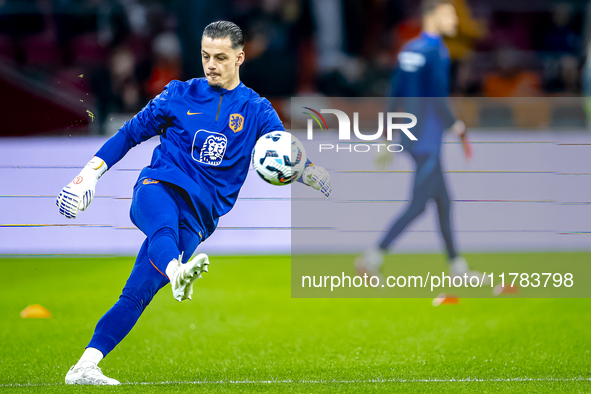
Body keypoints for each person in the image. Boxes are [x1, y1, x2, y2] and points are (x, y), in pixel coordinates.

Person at [57, 21, 332, 386]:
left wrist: (311, 172)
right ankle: (176, 271)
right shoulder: (177, 95)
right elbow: (128, 135)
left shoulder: (257, 110)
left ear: (240, 58)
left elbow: (281, 154)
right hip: (159, 188)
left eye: (220, 57)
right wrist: (88, 175)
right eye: (205, 56)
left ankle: (85, 366)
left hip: (199, 219)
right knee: (163, 228)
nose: (211, 64)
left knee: (137, 293)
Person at [355, 0, 485, 282]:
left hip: (412, 137)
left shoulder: (410, 50)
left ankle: (456, 266)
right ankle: (372, 256)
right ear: (433, 15)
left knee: (444, 202)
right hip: (428, 140)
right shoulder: (437, 51)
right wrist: (456, 124)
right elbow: (437, 97)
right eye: (449, 14)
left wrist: (388, 135)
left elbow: (396, 93)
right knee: (418, 204)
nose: (454, 19)